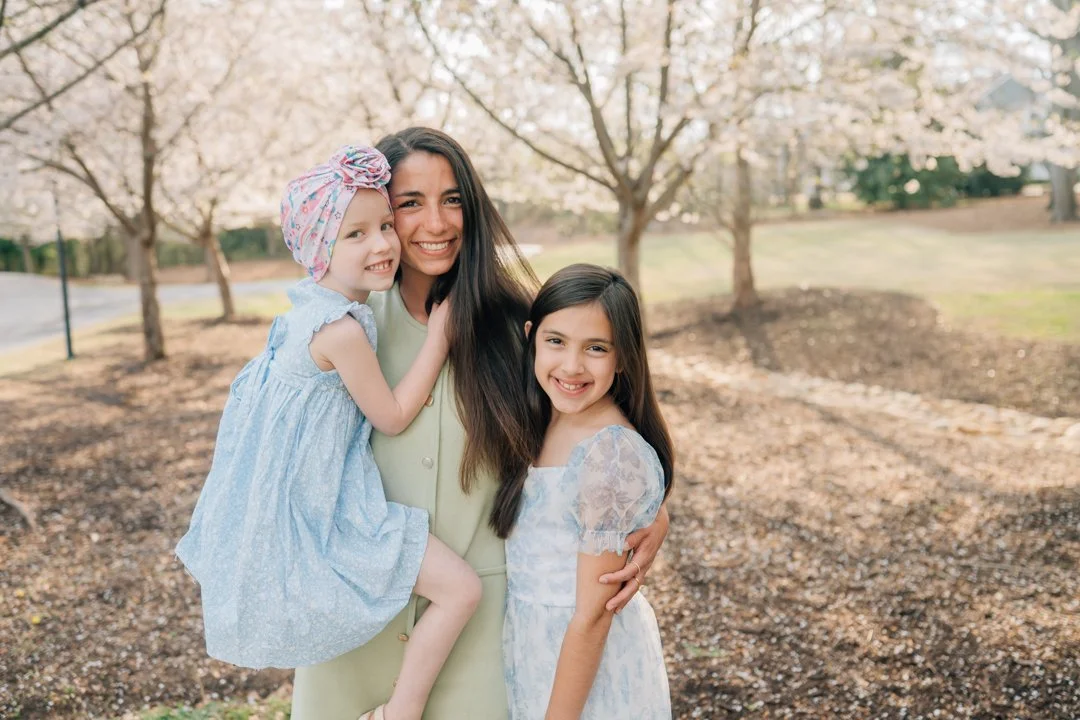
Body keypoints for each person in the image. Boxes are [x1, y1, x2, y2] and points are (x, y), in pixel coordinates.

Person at [291, 128, 671, 720]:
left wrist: (654, 514)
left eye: (453, 199)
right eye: (410, 202)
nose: (436, 223)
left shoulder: (520, 327)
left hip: (481, 634)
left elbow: (594, 431)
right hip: (355, 611)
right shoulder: (343, 329)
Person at [175, 145, 482, 720]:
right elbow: (390, 416)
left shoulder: (304, 311)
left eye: (386, 225)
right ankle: (402, 711)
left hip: (315, 504)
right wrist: (441, 333)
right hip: (331, 514)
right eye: (355, 235)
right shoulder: (339, 331)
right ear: (319, 250)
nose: (384, 244)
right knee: (462, 589)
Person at [494, 263, 674, 719]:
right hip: (533, 649)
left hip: (583, 670)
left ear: (624, 357)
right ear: (531, 335)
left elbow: (593, 616)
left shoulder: (610, 453)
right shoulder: (541, 418)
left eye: (596, 348)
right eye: (556, 342)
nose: (571, 366)